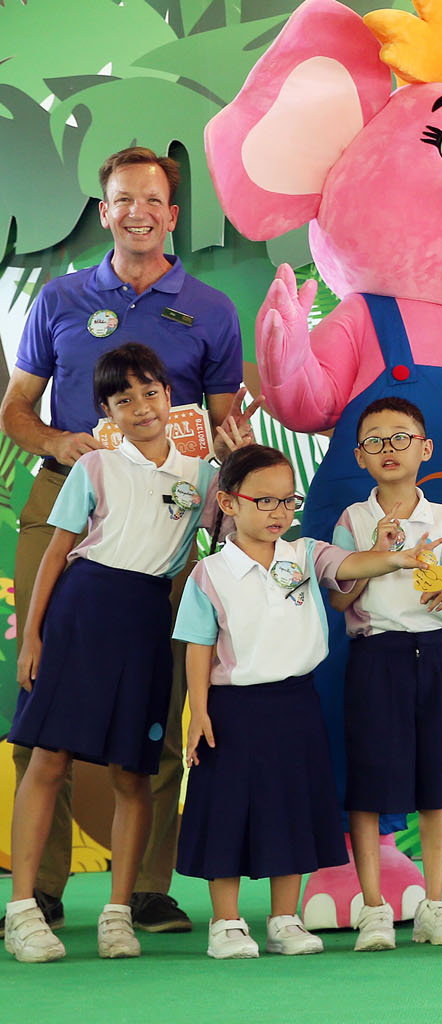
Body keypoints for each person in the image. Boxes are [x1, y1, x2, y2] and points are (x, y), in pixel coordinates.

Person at [1, 146, 248, 936]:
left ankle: (144, 889)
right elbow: (17, 409)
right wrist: (57, 444)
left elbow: (223, 424)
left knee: (165, 686)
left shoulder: (209, 309)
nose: (136, 210)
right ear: (103, 211)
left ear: (172, 215)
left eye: (151, 198)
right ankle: (34, 890)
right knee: (42, 696)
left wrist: (232, 460)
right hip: (65, 502)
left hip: (168, 522)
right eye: (120, 199)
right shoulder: (63, 298)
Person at [172, 445, 442, 960]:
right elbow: (197, 647)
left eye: (287, 501)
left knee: (289, 810)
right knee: (228, 811)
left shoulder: (304, 554)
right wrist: (199, 712)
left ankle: (284, 920)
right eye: (265, 501)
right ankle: (227, 924)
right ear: (230, 504)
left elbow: (353, 562)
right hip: (231, 710)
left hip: (296, 702)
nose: (279, 513)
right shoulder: (209, 575)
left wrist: (398, 558)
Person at [5, 345, 224, 962]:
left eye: (150, 392)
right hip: (83, 611)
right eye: (124, 399)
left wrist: (233, 457)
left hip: (151, 620)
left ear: (169, 394)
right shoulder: (94, 468)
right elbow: (55, 554)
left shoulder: (202, 475)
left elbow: (229, 533)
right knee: (49, 757)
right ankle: (24, 912)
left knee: (136, 771)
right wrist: (35, 636)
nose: (141, 407)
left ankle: (118, 914)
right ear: (108, 411)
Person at [329, 397, 442, 951]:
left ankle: (434, 905)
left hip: (436, 654)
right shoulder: (353, 519)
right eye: (375, 441)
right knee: (369, 786)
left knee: (438, 783)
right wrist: (375, 553)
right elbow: (341, 595)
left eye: (400, 437)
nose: (388, 449)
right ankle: (373, 910)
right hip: (377, 656)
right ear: (360, 456)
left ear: (425, 449)